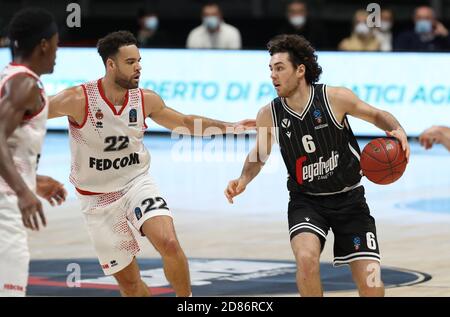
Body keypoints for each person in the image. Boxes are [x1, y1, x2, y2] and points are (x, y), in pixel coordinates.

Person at [48, 31, 255, 297]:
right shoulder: (78, 98)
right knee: (131, 285)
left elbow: (186, 123)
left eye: (139, 61)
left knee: (168, 242)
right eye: (130, 62)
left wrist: (233, 126)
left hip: (136, 183)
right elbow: (29, 112)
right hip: (96, 199)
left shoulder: (145, 99)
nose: (138, 68)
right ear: (111, 65)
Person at [225, 34, 410, 297]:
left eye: (279, 68)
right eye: (271, 69)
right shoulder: (269, 113)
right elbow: (259, 154)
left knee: (371, 285)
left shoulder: (335, 98)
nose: (273, 76)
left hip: (350, 201)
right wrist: (242, 179)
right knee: (306, 259)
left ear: (300, 70)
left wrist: (397, 129)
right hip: (306, 202)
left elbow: (376, 114)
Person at [0, 8, 67, 297]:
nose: (57, 52)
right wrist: (24, 192)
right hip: (5, 205)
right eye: (56, 44)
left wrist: (32, 179)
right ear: (43, 45)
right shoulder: (25, 84)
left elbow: (11, 144)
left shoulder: (11, 77)